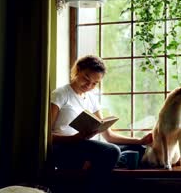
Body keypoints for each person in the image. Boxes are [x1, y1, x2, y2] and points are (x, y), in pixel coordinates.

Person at [50, 55, 152, 190]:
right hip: (63, 148)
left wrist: (139, 141)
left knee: (138, 150)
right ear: (77, 71)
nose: (89, 85)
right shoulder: (60, 94)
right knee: (112, 151)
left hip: (83, 146)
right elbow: (45, 136)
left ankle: (98, 162)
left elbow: (109, 136)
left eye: (95, 83)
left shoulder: (91, 99)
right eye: (86, 78)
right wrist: (74, 138)